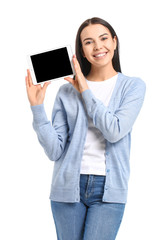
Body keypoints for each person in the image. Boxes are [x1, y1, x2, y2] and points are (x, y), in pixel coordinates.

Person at [25, 17, 146, 240]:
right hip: (67, 188)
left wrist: (85, 90)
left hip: (109, 191)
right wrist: (37, 108)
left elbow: (114, 130)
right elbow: (54, 151)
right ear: (81, 49)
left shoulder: (133, 86)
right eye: (88, 42)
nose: (98, 46)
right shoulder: (65, 92)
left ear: (115, 42)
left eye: (103, 38)